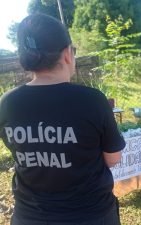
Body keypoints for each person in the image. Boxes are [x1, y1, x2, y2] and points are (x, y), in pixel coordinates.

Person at [0, 14, 125, 225]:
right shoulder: (92, 100)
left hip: (30, 217)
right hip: (90, 215)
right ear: (67, 54)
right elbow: (113, 158)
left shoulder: (7, 103)